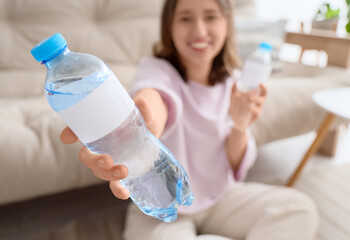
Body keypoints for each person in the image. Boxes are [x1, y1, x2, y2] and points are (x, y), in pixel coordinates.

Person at [60, 0, 319, 239]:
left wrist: (240, 125)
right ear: (169, 27)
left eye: (210, 17)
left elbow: (236, 163)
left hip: (221, 198)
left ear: (227, 24)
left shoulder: (234, 81)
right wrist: (145, 124)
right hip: (160, 209)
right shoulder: (157, 70)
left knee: (300, 209)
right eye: (185, 19)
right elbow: (156, 99)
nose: (199, 30)